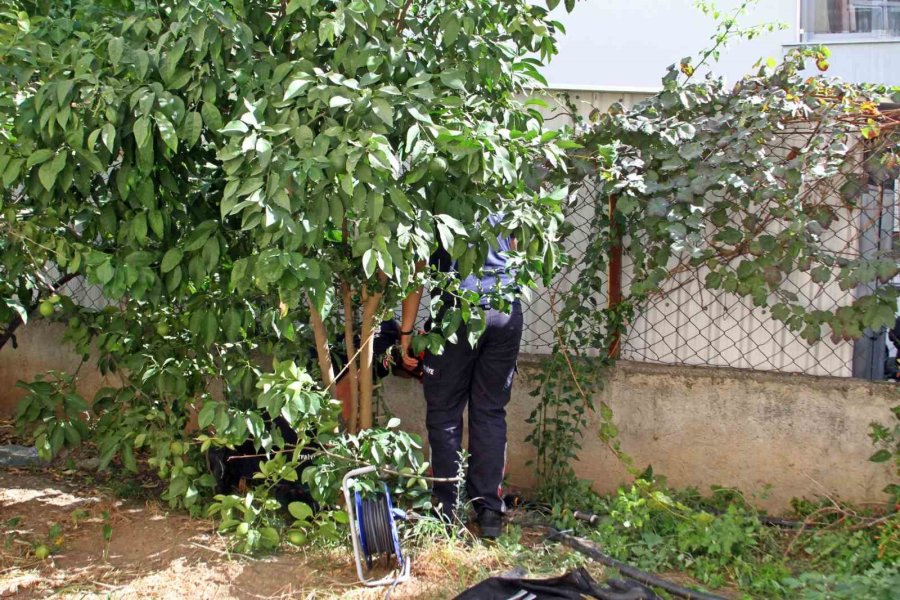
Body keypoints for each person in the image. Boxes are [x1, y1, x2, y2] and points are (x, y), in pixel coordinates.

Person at [399, 218, 523, 539]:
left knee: (444, 415)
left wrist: (406, 332)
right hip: (504, 309)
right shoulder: (502, 188)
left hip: (458, 312)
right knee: (490, 411)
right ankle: (490, 513)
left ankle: (446, 511)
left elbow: (418, 268)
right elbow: (514, 247)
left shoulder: (437, 193)